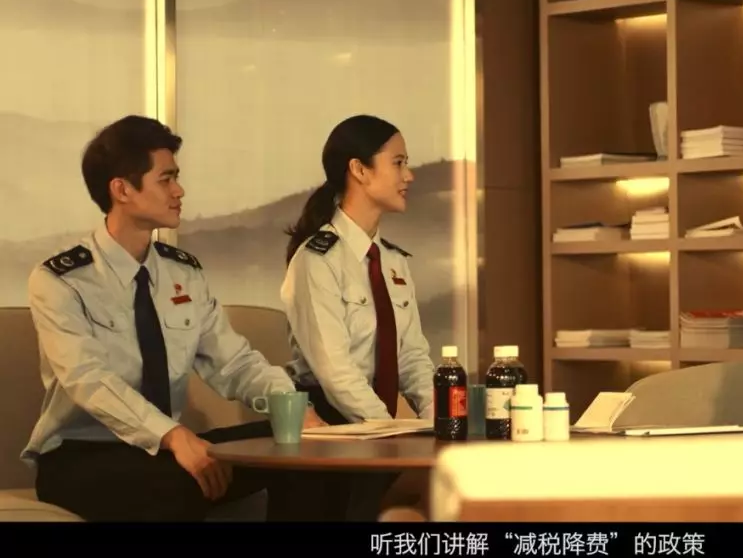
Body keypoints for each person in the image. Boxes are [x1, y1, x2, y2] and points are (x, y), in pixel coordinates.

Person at [23, 115, 333, 522]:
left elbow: (235, 363)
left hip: (166, 449)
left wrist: (292, 408)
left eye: (177, 178)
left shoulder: (182, 273)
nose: (179, 190)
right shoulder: (60, 280)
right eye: (166, 179)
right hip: (81, 457)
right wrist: (172, 435)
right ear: (122, 190)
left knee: (306, 449)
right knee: (178, 484)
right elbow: (89, 381)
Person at [280, 114, 435, 518]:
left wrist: (442, 422)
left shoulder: (393, 262)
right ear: (359, 170)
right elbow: (335, 372)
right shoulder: (317, 260)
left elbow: (413, 357)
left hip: (376, 428)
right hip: (327, 429)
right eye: (398, 163)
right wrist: (392, 437)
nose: (409, 175)